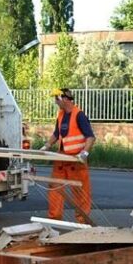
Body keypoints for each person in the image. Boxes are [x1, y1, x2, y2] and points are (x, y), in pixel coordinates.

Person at [40, 88, 96, 224]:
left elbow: (91, 137)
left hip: (76, 161)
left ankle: (82, 222)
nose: (55, 101)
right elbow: (57, 134)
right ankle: (54, 220)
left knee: (80, 192)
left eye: (57, 99)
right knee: (55, 188)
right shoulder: (60, 115)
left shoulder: (79, 115)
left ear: (65, 99)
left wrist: (84, 153)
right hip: (62, 159)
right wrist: (46, 145)